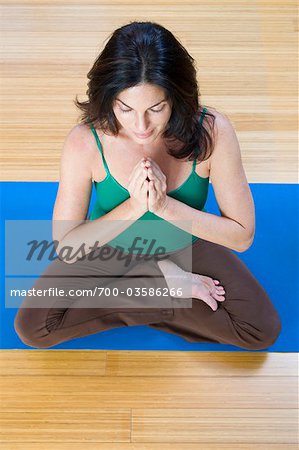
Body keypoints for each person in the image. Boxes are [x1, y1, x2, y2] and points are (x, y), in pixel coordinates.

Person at [14, 21, 282, 350]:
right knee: (34, 327)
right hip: (108, 247)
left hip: (185, 244)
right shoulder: (85, 142)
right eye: (125, 109)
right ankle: (162, 283)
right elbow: (67, 246)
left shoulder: (213, 132)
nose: (140, 126)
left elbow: (242, 236)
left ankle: (149, 288)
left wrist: (164, 206)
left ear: (177, 98)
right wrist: (136, 207)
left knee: (259, 329)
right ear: (108, 98)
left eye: (156, 108)